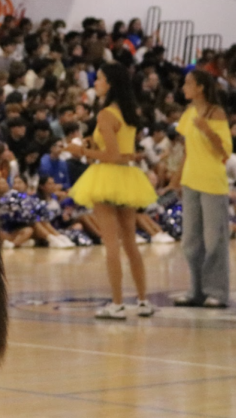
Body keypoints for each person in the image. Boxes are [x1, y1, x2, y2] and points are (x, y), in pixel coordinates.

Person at [69, 63, 157, 320]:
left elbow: (111, 155)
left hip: (107, 176)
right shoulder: (128, 112)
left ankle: (117, 304)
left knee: (111, 244)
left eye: (99, 78)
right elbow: (121, 151)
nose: (96, 83)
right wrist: (92, 143)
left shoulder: (106, 114)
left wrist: (81, 151)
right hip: (128, 177)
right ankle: (142, 300)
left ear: (110, 84)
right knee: (130, 242)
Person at [174, 69, 233, 309]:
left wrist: (207, 130)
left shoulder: (216, 113)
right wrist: (176, 176)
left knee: (214, 240)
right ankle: (195, 290)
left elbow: (224, 151)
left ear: (200, 87)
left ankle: (217, 291)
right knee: (190, 240)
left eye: (188, 83)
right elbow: (187, 149)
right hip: (191, 180)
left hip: (212, 182)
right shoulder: (188, 113)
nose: (183, 87)